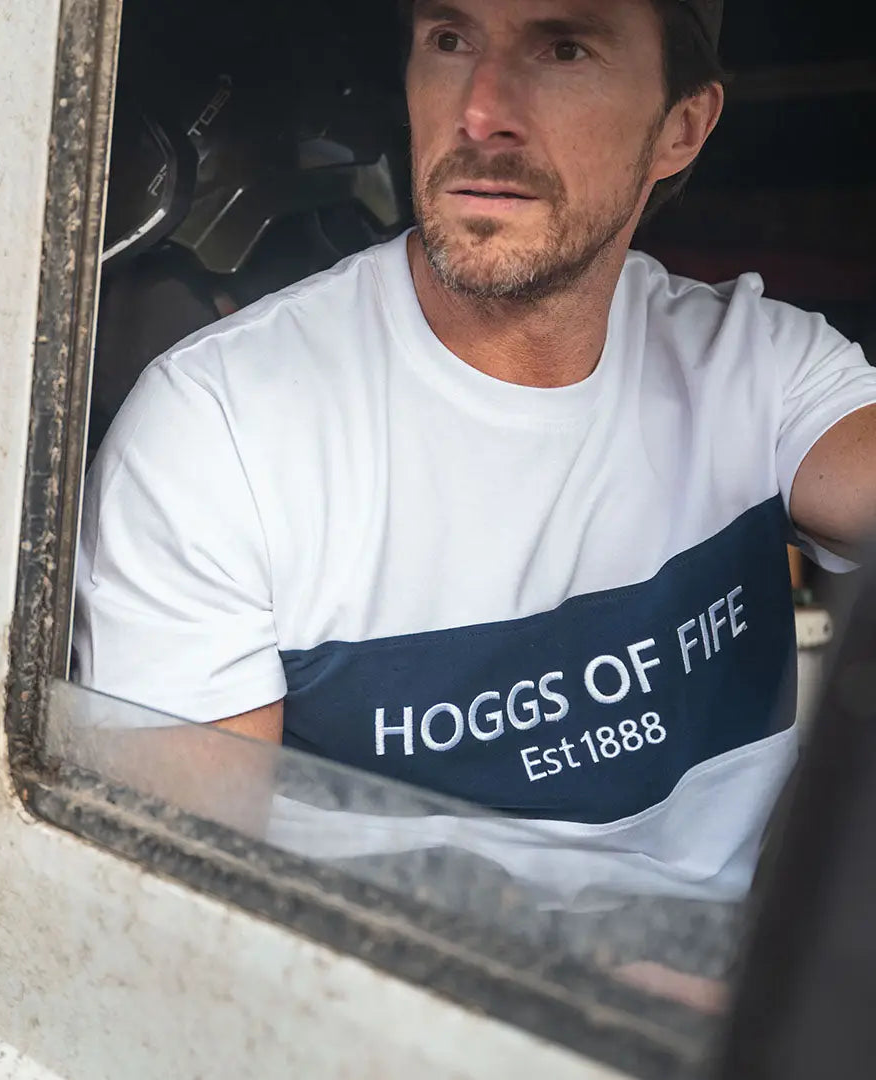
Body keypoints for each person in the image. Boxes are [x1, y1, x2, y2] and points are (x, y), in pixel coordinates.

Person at [73, 0, 876, 904]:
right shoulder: (218, 433)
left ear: (680, 129)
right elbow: (173, 913)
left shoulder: (761, 368)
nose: (482, 108)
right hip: (380, 1013)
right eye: (450, 40)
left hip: (753, 1021)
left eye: (563, 47)